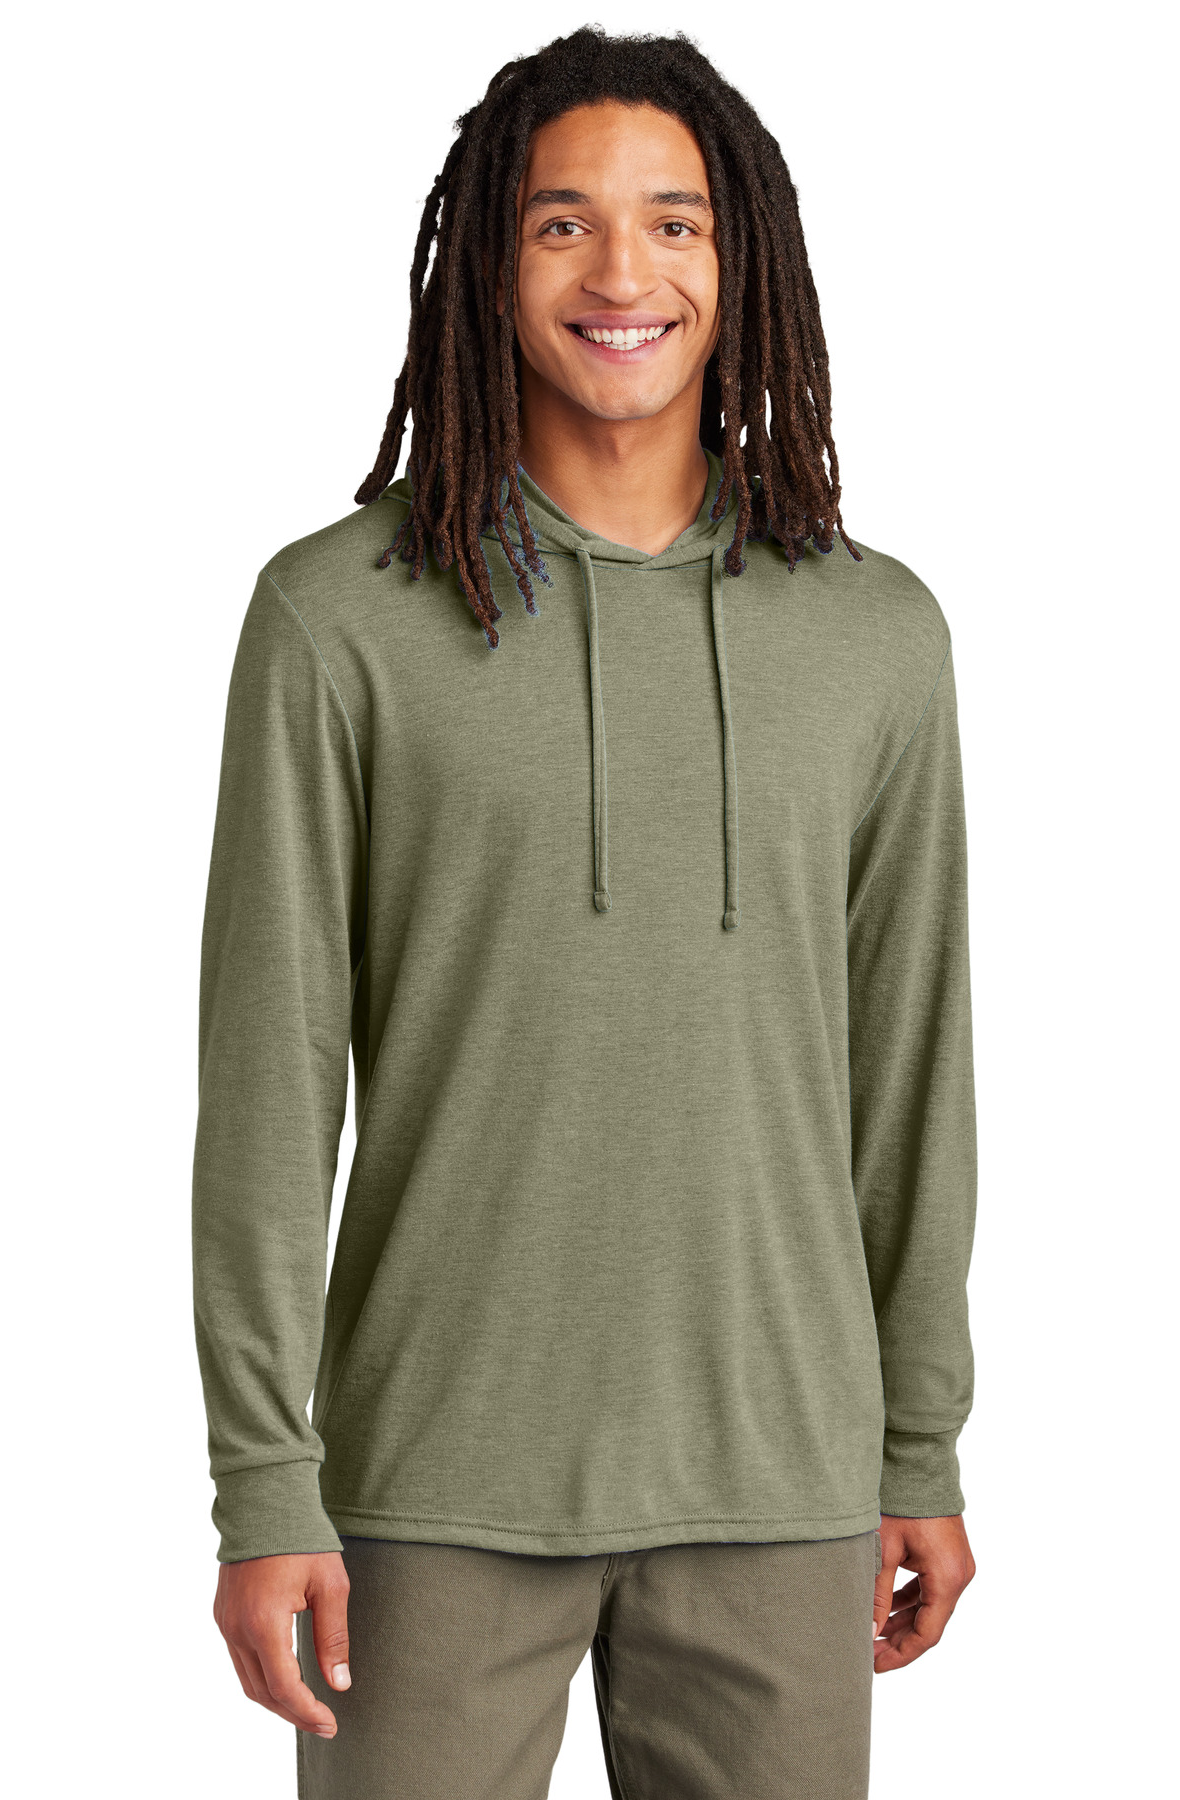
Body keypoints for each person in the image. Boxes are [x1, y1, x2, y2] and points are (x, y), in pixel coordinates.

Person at [192, 25, 978, 1799]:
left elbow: (914, 1072)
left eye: (675, 223)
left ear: (741, 261)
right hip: (427, 1488)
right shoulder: (338, 618)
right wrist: (264, 1481)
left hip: (784, 1482)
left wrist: (917, 1442)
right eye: (563, 223)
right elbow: (266, 1086)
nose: (624, 274)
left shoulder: (875, 636)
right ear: (490, 261)